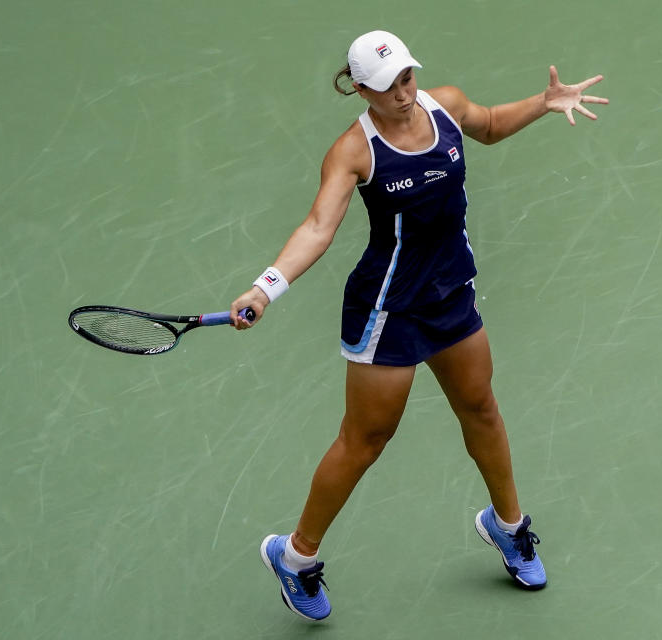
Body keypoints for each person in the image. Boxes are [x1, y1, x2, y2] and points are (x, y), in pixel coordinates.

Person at [229, 30, 607, 621]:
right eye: (387, 86)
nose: (404, 93)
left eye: (407, 77)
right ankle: (295, 557)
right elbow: (317, 228)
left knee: (481, 407)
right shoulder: (354, 151)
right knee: (366, 441)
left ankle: (508, 527)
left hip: (451, 291)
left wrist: (543, 102)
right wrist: (265, 287)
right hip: (389, 310)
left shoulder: (444, 103)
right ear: (360, 89)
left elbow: (486, 123)